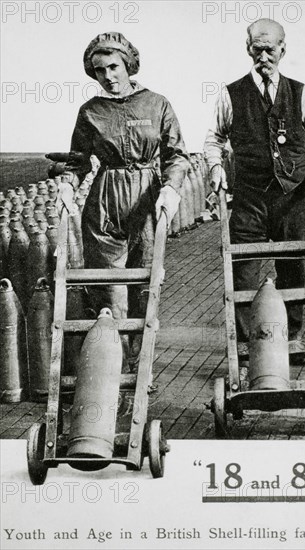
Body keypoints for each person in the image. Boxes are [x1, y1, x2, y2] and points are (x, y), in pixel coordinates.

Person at [204, 18, 305, 350]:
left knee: (295, 269)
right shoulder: (231, 94)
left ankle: (293, 340)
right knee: (243, 269)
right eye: (257, 49)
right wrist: (216, 167)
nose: (263, 56)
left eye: (270, 49)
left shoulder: (301, 92)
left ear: (282, 50)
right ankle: (249, 345)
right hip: (250, 198)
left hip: (292, 197)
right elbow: (213, 139)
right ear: (248, 50)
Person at [65, 32, 189, 367]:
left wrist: (171, 187)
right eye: (99, 70)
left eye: (114, 67)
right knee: (109, 291)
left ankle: (139, 364)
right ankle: (111, 371)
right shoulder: (90, 111)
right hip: (105, 204)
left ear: (128, 65)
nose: (108, 76)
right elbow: (78, 160)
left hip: (147, 204)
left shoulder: (157, 103)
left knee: (143, 288)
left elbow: (177, 155)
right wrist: (67, 183)